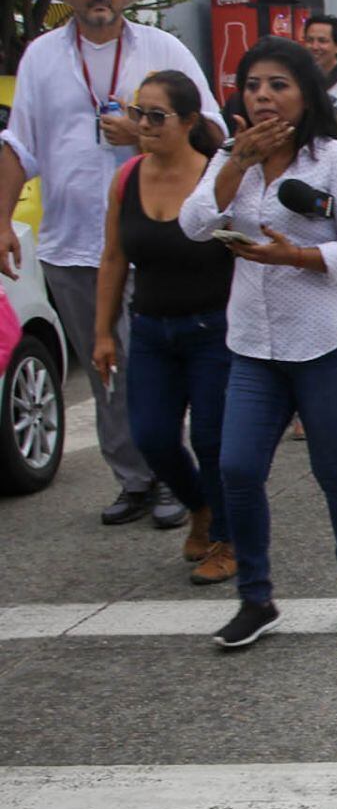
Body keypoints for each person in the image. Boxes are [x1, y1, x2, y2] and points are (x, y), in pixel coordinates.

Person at [0, 0, 223, 526]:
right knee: (106, 370)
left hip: (156, 242)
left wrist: (147, 134)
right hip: (71, 243)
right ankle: (134, 479)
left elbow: (213, 133)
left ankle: (179, 478)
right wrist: (1, 221)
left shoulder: (163, 50)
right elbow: (18, 145)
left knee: (161, 366)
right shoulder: (42, 56)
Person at [178, 37, 337, 647]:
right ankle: (256, 598)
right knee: (237, 468)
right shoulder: (230, 157)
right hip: (252, 342)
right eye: (252, 86)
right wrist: (235, 164)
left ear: (305, 95)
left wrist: (295, 256)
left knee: (334, 470)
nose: (264, 97)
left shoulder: (335, 161)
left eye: (278, 85)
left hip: (328, 340)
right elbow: (194, 226)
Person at [92, 71, 237, 585]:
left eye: (157, 116)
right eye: (138, 114)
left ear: (190, 120)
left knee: (213, 437)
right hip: (151, 328)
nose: (144, 125)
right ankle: (199, 505)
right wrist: (103, 333)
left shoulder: (215, 177)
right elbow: (113, 258)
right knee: (150, 435)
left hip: (212, 329)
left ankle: (226, 534)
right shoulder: (126, 177)